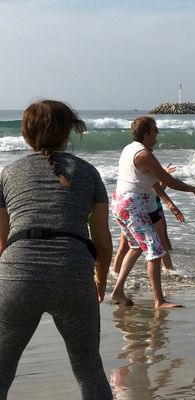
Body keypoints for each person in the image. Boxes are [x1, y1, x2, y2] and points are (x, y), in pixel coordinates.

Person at [0, 100, 113, 399]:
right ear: (68, 132)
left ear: (26, 135)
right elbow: (102, 241)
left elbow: (1, 243)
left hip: (17, 274)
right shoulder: (88, 173)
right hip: (73, 273)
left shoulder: (8, 174)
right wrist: (100, 279)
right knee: (89, 370)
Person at [111, 116, 195, 308]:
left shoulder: (129, 149)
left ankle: (118, 290)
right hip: (132, 206)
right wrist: (193, 188)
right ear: (147, 133)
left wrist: (170, 204)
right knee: (155, 251)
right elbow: (169, 181)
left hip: (119, 203)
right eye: (155, 131)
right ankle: (159, 301)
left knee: (136, 247)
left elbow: (151, 182)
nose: (157, 135)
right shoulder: (144, 154)